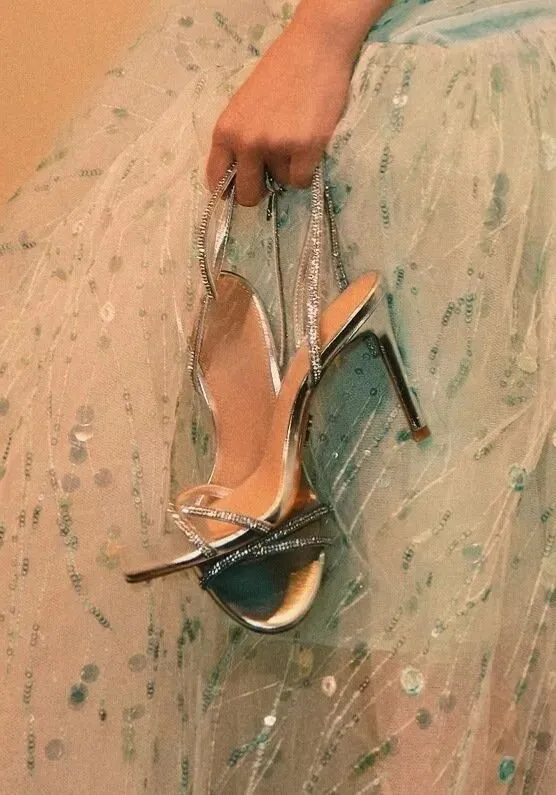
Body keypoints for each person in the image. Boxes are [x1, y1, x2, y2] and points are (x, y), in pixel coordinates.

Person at [1, 0, 555, 792]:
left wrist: (326, 32)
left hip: (426, 78)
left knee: (439, 634)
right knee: (444, 617)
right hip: (347, 57)